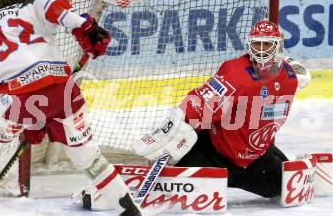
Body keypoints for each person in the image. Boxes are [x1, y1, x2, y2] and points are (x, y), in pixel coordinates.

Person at [0, 0, 150, 216]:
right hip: (64, 91)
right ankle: (129, 213)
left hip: (17, 97)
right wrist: (87, 28)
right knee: (86, 156)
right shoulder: (35, 4)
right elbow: (51, 3)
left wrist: (22, 121)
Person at [132, 19, 311, 200]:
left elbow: (300, 71)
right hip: (216, 154)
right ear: (250, 45)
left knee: (282, 188)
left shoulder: (290, 75)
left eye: (267, 44)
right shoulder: (235, 73)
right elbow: (199, 104)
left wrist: (291, 65)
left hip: (256, 158)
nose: (262, 50)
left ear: (278, 46)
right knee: (181, 185)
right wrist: (173, 129)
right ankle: (174, 166)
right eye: (257, 44)